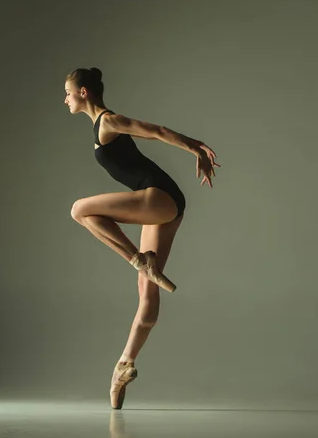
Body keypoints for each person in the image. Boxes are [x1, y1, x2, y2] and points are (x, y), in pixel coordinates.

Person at [64, 67, 220, 409]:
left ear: (84, 92)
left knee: (79, 210)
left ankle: (139, 259)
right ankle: (124, 365)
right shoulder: (101, 124)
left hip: (158, 197)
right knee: (147, 296)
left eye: (69, 93)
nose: (66, 99)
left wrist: (195, 148)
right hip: (167, 206)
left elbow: (157, 131)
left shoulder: (107, 121)